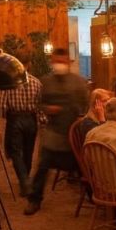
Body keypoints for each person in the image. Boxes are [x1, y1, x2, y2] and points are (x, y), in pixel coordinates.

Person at [24, 48, 89, 216]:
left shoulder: (78, 82)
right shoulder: (46, 82)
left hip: (74, 134)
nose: (60, 64)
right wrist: (48, 109)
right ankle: (34, 199)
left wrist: (80, 117)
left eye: (62, 61)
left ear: (68, 62)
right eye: (57, 61)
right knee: (42, 166)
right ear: (52, 62)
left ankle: (94, 195)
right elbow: (38, 104)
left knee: (84, 166)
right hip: (53, 134)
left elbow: (86, 104)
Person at [1, 53, 44, 198]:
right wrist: (42, 120)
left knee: (15, 152)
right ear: (29, 64)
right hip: (31, 119)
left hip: (15, 119)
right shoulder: (37, 83)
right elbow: (40, 106)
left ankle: (24, 181)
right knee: (28, 151)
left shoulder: (9, 83)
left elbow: (2, 106)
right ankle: (26, 181)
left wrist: (5, 116)